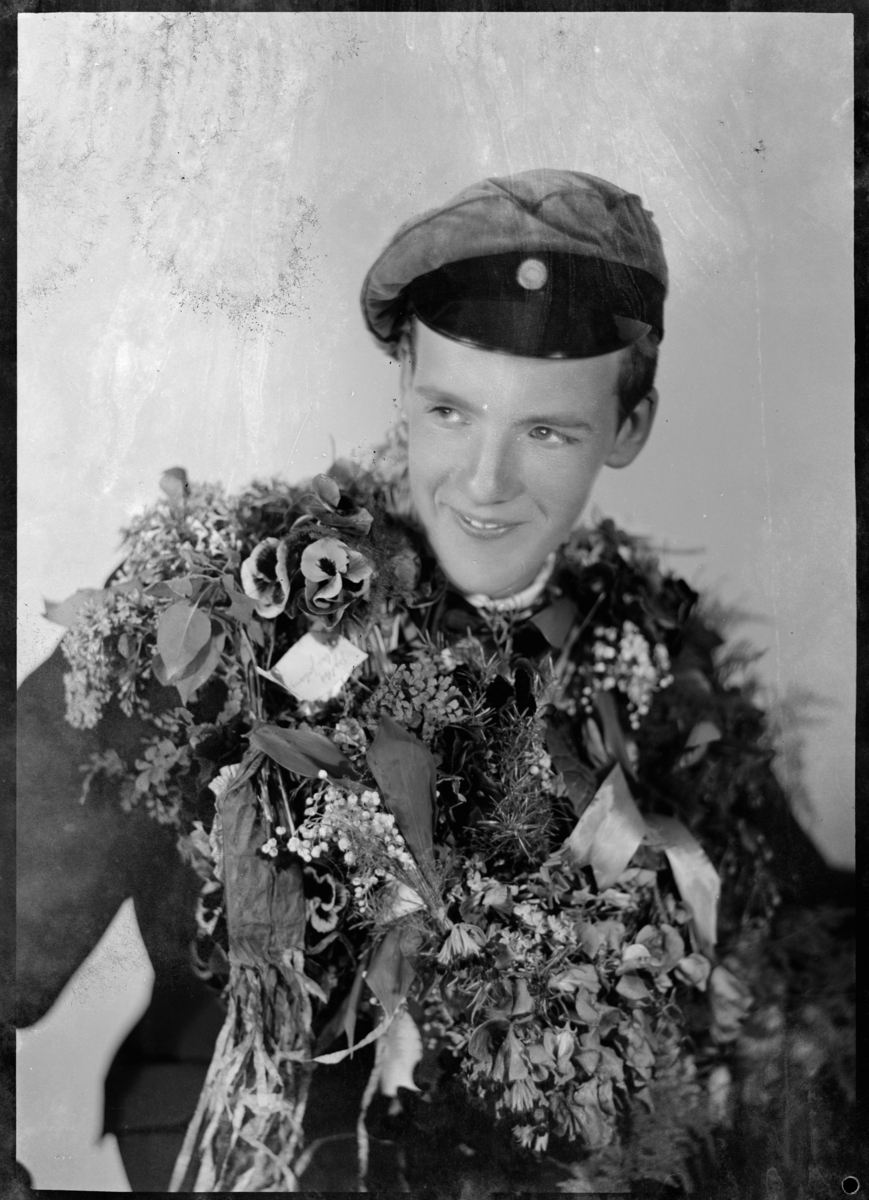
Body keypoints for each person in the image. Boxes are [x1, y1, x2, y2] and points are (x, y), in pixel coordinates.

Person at [12, 169, 850, 1193]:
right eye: (451, 411)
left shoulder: (652, 664)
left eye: (546, 430)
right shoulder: (218, 613)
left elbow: (810, 972)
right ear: (402, 381)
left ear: (628, 426)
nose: (484, 483)